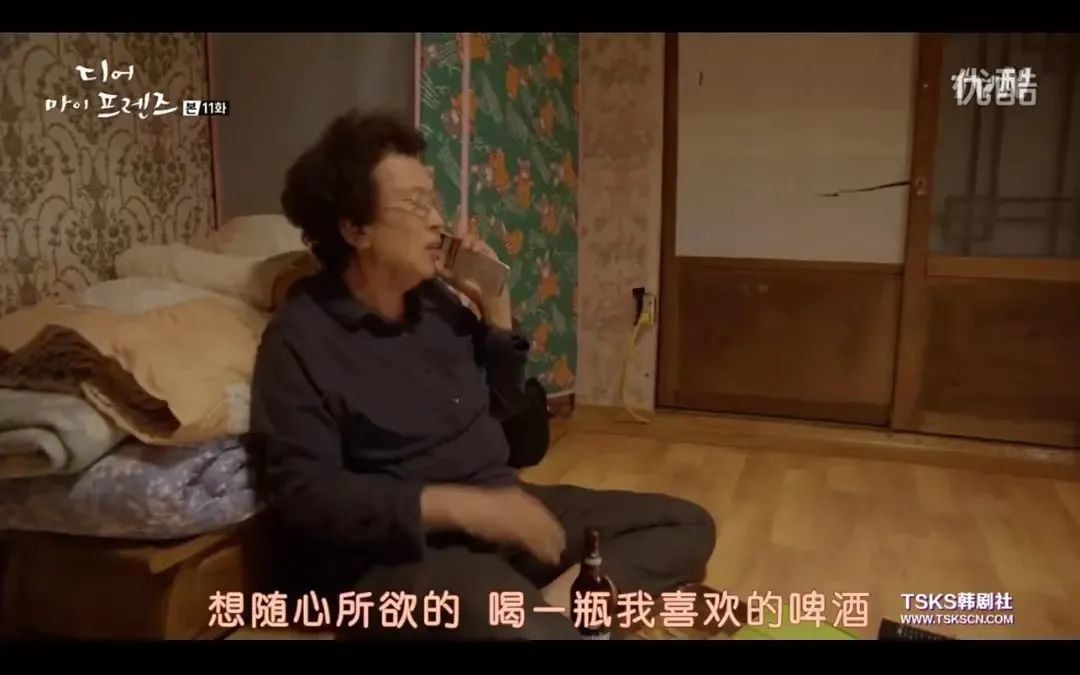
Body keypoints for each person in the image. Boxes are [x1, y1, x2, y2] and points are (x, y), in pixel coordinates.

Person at [249, 109, 716, 640]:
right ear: (356, 228)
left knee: (685, 525)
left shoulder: (435, 304)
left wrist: (497, 314)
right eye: (415, 204)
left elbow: (518, 435)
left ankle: (554, 610)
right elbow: (307, 495)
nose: (436, 220)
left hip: (500, 511)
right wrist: (462, 508)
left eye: (433, 201)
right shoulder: (299, 338)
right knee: (518, 624)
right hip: (402, 558)